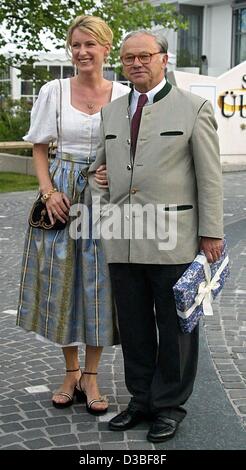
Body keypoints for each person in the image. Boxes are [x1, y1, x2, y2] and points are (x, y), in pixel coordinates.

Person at [89, 30, 223, 440]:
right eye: (129, 58)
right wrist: (97, 178)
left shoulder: (194, 108)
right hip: (123, 238)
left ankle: (169, 405)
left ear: (164, 59)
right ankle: (141, 400)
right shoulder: (111, 113)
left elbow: (210, 178)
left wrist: (211, 233)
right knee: (134, 326)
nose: (136, 64)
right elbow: (99, 171)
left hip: (175, 237)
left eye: (144, 56)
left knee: (177, 326)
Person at [16, 15, 130, 415]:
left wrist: (113, 168)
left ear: (105, 48)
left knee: (101, 282)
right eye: (76, 45)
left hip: (104, 196)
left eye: (90, 45)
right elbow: (40, 148)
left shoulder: (124, 94)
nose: (82, 52)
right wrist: (48, 192)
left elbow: (132, 150)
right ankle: (70, 371)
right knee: (62, 281)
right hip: (61, 194)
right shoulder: (53, 91)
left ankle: (93, 375)